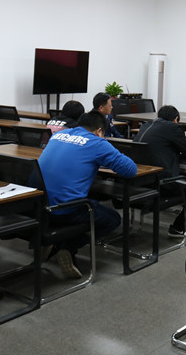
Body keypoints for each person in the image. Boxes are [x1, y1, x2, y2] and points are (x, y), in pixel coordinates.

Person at [38, 110, 136, 278]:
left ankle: (55, 243)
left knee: (89, 199)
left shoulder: (58, 135)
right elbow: (130, 169)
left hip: (40, 206)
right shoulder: (97, 142)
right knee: (113, 219)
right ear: (99, 131)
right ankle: (66, 247)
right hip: (66, 210)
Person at [134, 105, 186, 237]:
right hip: (161, 183)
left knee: (185, 180)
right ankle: (179, 228)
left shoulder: (146, 126)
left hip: (141, 181)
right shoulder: (172, 128)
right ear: (175, 119)